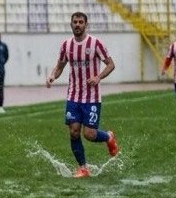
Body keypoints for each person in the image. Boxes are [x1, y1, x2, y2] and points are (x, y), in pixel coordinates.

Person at [45, 12, 120, 178]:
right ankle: (83, 168)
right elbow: (59, 66)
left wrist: (98, 77)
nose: (77, 25)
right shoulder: (66, 45)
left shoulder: (95, 43)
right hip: (73, 95)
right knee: (73, 131)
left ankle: (108, 137)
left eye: (80, 22)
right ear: (71, 24)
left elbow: (111, 64)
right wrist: (52, 76)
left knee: (90, 134)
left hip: (92, 97)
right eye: (75, 22)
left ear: (86, 24)